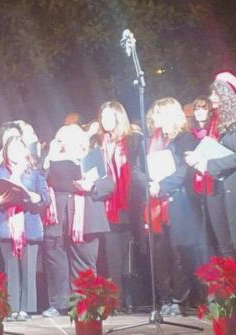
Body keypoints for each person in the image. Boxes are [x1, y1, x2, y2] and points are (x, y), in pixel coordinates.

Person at [186, 73, 236, 267]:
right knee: (226, 244)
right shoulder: (220, 124)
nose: (212, 98)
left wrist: (210, 164)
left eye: (216, 94)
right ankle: (234, 289)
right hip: (219, 187)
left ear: (228, 94)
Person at [41, 124, 113, 318]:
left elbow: (109, 183)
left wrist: (91, 185)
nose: (63, 143)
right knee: (57, 261)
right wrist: (48, 160)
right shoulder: (51, 160)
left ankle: (85, 304)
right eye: (61, 139)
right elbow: (40, 182)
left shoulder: (92, 157)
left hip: (86, 216)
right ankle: (59, 303)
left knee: (84, 261)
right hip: (58, 217)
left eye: (67, 139)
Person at [145, 98, 205, 316]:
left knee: (178, 251)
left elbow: (184, 171)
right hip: (155, 203)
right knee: (159, 252)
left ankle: (179, 298)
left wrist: (162, 185)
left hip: (179, 201)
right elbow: (138, 168)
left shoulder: (185, 139)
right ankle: (165, 298)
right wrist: (149, 184)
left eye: (159, 113)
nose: (154, 118)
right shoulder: (151, 140)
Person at [0, 136, 49, 321]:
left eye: (18, 148)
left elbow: (46, 198)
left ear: (25, 151)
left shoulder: (34, 173)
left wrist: (37, 198)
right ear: (5, 152)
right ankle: (12, 307)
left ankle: (26, 308)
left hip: (29, 225)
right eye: (10, 149)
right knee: (11, 269)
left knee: (29, 269)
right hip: (6, 226)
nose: (14, 152)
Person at [97, 101, 146, 313]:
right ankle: (114, 299)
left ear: (118, 117)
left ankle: (130, 298)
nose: (105, 121)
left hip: (129, 203)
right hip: (107, 205)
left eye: (109, 116)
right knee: (112, 254)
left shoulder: (133, 141)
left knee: (130, 252)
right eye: (102, 117)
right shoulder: (98, 143)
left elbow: (139, 170)